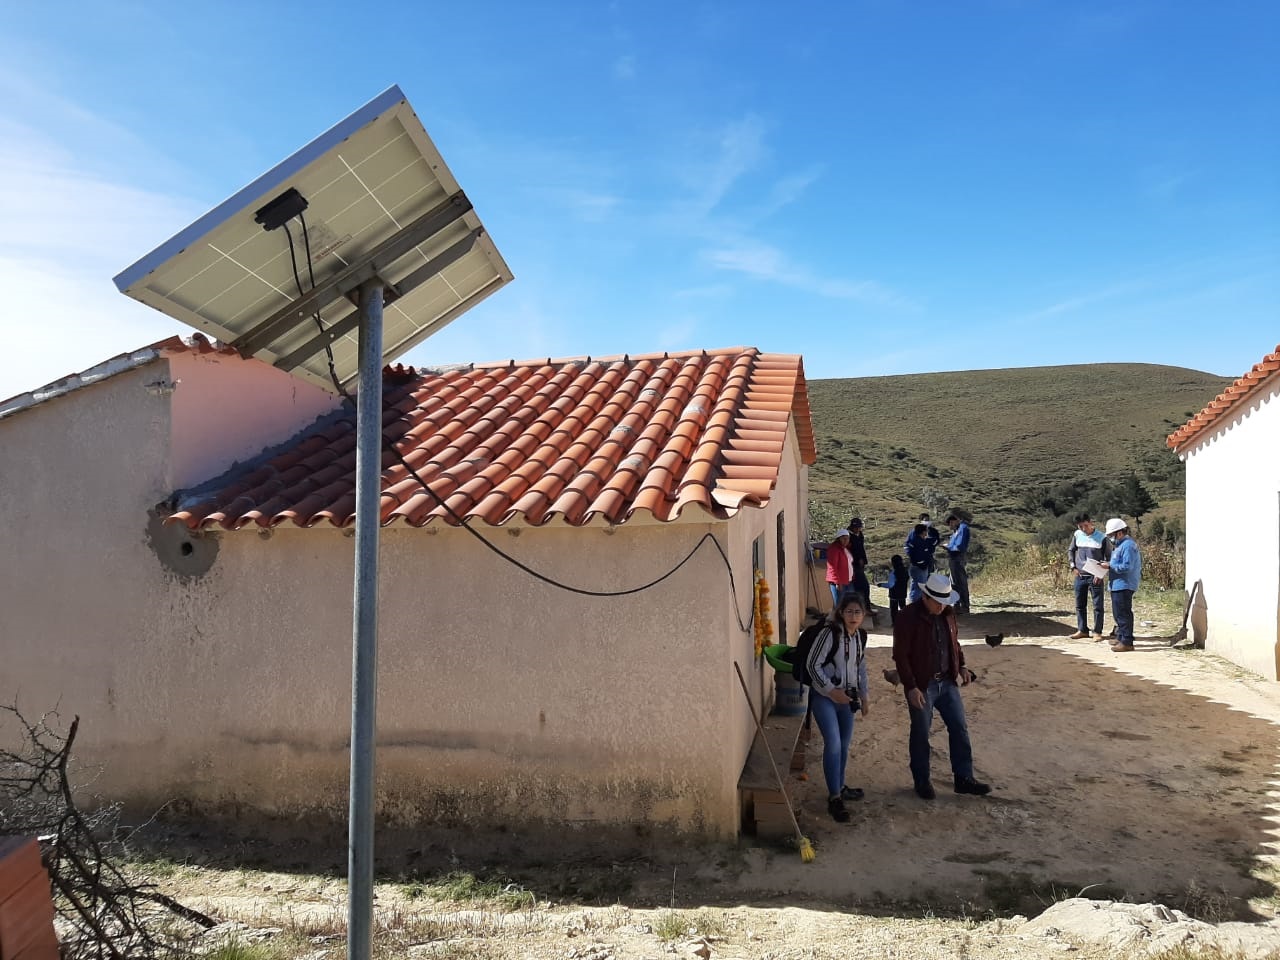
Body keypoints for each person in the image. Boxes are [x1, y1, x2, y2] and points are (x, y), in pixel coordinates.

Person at [891, 571, 990, 800]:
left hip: (947, 681)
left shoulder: (947, 613)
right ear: (925, 597)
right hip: (922, 685)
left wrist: (962, 666)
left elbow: (953, 642)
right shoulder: (907, 616)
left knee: (959, 727)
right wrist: (911, 687)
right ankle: (922, 780)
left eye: (945, 602)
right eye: (938, 602)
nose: (942, 606)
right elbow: (901, 655)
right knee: (920, 733)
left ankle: (964, 778)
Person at [805, 592, 871, 822]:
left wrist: (864, 697)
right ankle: (834, 797)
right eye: (849, 611)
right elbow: (812, 665)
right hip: (825, 698)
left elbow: (860, 668)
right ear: (841, 612)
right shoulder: (829, 634)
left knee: (843, 745)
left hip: (847, 699)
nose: (853, 616)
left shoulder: (859, 637)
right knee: (833, 743)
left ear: (864, 614)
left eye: (858, 612)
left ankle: (840, 786)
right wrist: (832, 692)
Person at [1101, 518, 1142, 652]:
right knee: (1118, 613)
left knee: (1123, 613)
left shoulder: (1128, 546)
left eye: (1111, 535)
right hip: (1117, 584)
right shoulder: (1120, 545)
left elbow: (1127, 566)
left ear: (1119, 533)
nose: (1110, 538)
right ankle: (1121, 637)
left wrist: (1110, 566)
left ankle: (1127, 641)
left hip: (1124, 584)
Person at [1067, 513, 1110, 640]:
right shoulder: (1077, 534)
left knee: (1097, 605)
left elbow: (1109, 557)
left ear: (1091, 522)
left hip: (1095, 576)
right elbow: (1071, 550)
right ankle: (1082, 629)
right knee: (1080, 604)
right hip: (1080, 575)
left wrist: (1100, 574)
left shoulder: (1102, 537)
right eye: (1080, 526)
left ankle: (1097, 631)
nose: (1083, 529)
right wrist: (1073, 566)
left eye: (1085, 525)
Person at [904, 521, 940, 602]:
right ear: (923, 532)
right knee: (920, 587)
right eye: (926, 530)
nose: (927, 533)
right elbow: (934, 541)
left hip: (916, 566)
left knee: (916, 585)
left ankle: (913, 602)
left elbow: (935, 541)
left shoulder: (916, 540)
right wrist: (922, 563)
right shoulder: (919, 542)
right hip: (920, 568)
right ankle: (915, 604)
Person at [944, 514, 971, 613]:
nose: (950, 526)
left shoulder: (963, 528)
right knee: (954, 582)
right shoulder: (955, 532)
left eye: (951, 523)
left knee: (961, 582)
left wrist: (949, 547)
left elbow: (959, 545)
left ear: (956, 521)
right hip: (953, 558)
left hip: (958, 557)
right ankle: (957, 604)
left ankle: (964, 605)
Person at [846, 517, 871, 606]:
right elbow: (850, 551)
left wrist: (863, 559)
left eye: (859, 528)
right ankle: (864, 606)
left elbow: (861, 548)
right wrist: (857, 559)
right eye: (856, 528)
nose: (858, 529)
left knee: (862, 587)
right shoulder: (847, 536)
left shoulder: (860, 534)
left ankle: (864, 605)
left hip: (860, 563)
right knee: (862, 586)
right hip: (853, 564)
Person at [825, 529, 853, 608]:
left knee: (847, 604)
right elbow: (832, 567)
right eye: (844, 538)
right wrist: (837, 582)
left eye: (847, 538)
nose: (846, 540)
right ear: (838, 539)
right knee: (839, 605)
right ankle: (836, 616)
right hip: (839, 582)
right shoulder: (834, 549)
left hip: (847, 580)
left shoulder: (844, 548)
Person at [886, 554, 909, 622]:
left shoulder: (893, 573)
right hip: (902, 593)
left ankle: (895, 623)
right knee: (903, 608)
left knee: (894, 610)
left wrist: (881, 585)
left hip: (894, 595)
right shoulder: (905, 571)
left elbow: (890, 585)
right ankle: (905, 621)